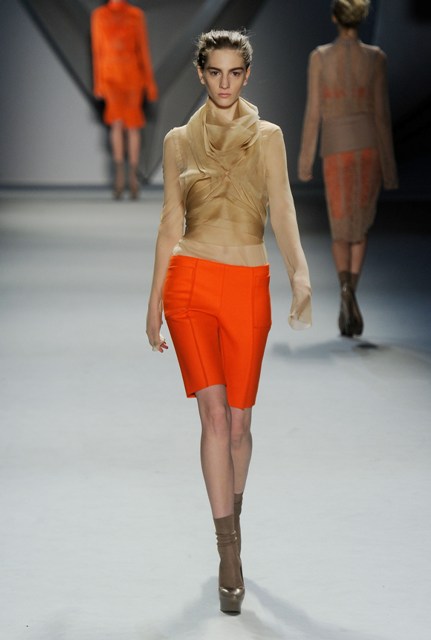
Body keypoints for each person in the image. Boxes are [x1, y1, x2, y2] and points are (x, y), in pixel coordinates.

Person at [146, 30, 311, 615]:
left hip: (246, 286)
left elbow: (282, 206)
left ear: (246, 75)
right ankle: (229, 554)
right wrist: (153, 302)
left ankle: (232, 520)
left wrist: (299, 272)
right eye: (214, 71)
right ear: (200, 73)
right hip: (189, 285)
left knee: (240, 424)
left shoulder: (268, 138)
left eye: (234, 72)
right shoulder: (177, 141)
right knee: (214, 417)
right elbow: (170, 222)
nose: (224, 82)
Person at [298, 0, 398, 337]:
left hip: (336, 149)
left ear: (334, 18)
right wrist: (389, 169)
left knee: (340, 225)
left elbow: (314, 112)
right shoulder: (376, 58)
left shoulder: (320, 57)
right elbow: (382, 115)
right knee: (360, 225)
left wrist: (305, 160)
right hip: (368, 147)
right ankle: (351, 291)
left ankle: (344, 290)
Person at [91, 0, 158, 199]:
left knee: (133, 125)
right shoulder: (99, 16)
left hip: (132, 76)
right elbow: (97, 51)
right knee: (117, 124)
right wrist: (98, 83)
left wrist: (149, 82)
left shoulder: (136, 15)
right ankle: (120, 177)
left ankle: (132, 178)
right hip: (110, 77)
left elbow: (142, 49)